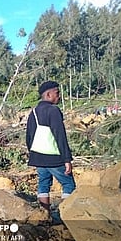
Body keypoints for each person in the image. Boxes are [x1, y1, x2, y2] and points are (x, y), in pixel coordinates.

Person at [26, 81, 76, 212]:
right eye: (57, 93)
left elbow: (29, 136)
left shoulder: (34, 112)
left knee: (43, 184)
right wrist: (67, 159)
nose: (59, 96)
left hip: (38, 156)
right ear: (48, 94)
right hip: (54, 157)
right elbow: (60, 135)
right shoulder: (54, 111)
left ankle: (45, 214)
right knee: (68, 184)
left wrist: (33, 154)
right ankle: (64, 215)